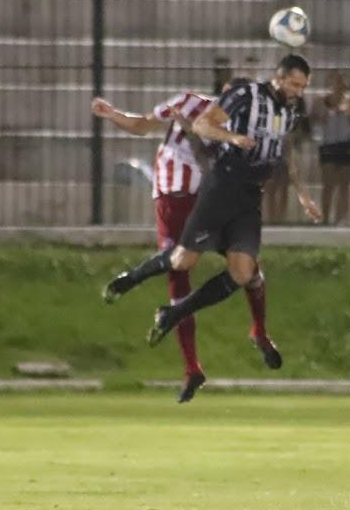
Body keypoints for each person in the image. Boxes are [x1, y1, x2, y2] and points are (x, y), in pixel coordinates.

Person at [103, 54, 322, 354]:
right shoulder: (247, 95)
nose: (299, 91)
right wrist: (232, 138)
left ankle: (172, 314)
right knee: (183, 260)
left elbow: (285, 151)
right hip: (222, 186)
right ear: (280, 78)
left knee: (243, 272)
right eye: (296, 84)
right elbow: (203, 125)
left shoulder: (291, 111)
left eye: (304, 86)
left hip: (250, 195)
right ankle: (133, 277)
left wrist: (303, 193)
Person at [91, 84, 276, 403]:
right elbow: (144, 124)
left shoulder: (238, 129)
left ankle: (258, 330)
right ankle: (192, 369)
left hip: (207, 200)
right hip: (170, 198)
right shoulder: (189, 101)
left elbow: (212, 161)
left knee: (243, 265)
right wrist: (112, 114)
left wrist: (192, 129)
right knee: (178, 274)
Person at [311, 71, 350, 225]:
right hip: (328, 143)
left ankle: (341, 220)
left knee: (344, 185)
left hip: (347, 143)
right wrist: (321, 117)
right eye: (336, 82)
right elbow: (311, 120)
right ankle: (325, 218)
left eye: (342, 82)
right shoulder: (320, 102)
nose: (339, 85)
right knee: (327, 184)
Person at [263, 94, 310, 223]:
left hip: (289, 155)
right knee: (271, 188)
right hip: (275, 154)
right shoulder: (278, 114)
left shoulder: (298, 117)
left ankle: (279, 218)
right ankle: (271, 218)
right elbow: (277, 133)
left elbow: (302, 135)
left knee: (283, 189)